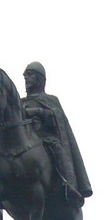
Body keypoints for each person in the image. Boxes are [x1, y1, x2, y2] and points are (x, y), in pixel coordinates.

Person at [22, 62, 92, 208]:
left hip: (46, 139)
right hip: (25, 142)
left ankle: (70, 187)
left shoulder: (51, 99)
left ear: (40, 79)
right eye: (25, 76)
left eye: (30, 75)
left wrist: (38, 111)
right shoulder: (20, 102)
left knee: (59, 151)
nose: (26, 78)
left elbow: (57, 117)